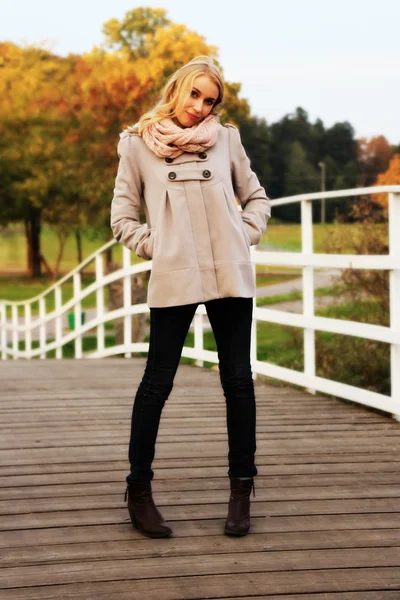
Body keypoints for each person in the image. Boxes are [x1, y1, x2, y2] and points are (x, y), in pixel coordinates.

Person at [110, 55, 271, 539]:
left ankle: (241, 492)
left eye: (210, 101)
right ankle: (139, 492)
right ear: (177, 89)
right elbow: (122, 218)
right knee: (156, 383)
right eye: (195, 95)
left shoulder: (228, 140)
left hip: (229, 272)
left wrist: (242, 233)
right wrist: (160, 247)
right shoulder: (137, 145)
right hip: (175, 274)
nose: (201, 108)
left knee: (238, 381)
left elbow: (257, 197)